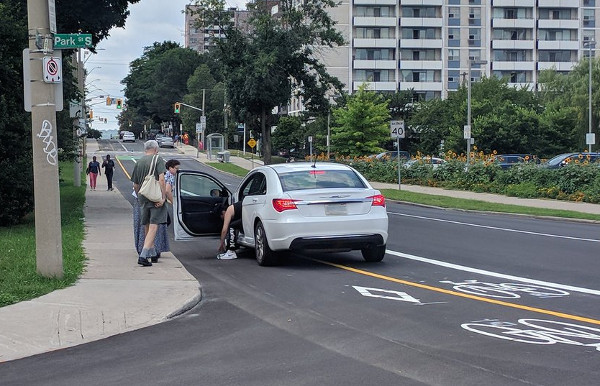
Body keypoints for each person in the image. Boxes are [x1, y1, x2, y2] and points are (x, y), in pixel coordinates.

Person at [130, 140, 167, 267]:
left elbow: (135, 184)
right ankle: (143, 255)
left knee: (146, 225)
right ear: (156, 149)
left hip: (143, 197)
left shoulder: (139, 162)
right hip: (155, 197)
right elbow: (161, 179)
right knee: (154, 225)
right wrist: (163, 197)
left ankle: (151, 252)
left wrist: (140, 195)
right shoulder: (158, 159)